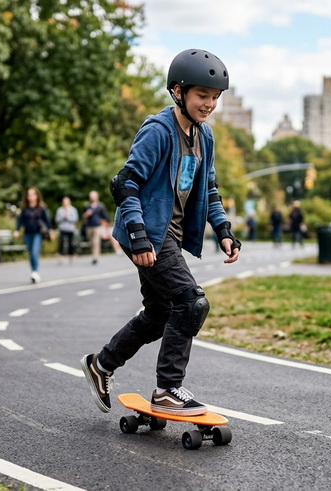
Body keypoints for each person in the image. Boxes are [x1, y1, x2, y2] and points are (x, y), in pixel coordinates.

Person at [80, 48, 241, 417]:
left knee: (159, 313)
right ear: (178, 92)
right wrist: (138, 235)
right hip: (148, 232)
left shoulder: (205, 137)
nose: (209, 104)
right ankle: (168, 389)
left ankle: (101, 364)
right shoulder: (158, 131)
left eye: (215, 97)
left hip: (168, 235)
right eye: (202, 95)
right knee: (191, 302)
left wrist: (223, 230)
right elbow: (125, 183)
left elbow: (209, 189)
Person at [13, 187, 51, 284]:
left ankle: (35, 272)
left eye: (33, 194)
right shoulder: (25, 208)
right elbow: (20, 220)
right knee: (30, 253)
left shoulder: (41, 207)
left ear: (37, 196)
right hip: (27, 233)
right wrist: (17, 230)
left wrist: (50, 231)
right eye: (29, 195)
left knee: (34, 252)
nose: (31, 197)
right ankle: (33, 271)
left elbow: (47, 220)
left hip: (38, 233)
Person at [83, 191, 110, 265]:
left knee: (96, 242)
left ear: (97, 197)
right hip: (89, 226)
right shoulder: (87, 205)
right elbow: (83, 217)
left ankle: (95, 257)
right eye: (91, 196)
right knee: (91, 243)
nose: (92, 198)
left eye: (94, 196)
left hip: (97, 226)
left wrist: (105, 225)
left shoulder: (101, 206)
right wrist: (86, 215)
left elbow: (105, 216)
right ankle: (93, 255)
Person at [55, 196, 79, 264]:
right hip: (62, 228)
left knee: (70, 243)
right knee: (61, 242)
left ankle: (71, 255)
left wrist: (68, 218)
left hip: (70, 229)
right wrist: (62, 217)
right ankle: (61, 256)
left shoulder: (73, 209)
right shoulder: (60, 210)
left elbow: (75, 219)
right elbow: (57, 219)